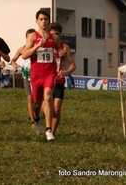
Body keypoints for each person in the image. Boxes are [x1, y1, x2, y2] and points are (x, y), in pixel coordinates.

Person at [21, 10, 61, 141]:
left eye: (45, 19)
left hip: (50, 72)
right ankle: (37, 119)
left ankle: (49, 130)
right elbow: (25, 55)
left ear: (48, 21)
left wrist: (60, 52)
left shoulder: (54, 37)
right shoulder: (32, 36)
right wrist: (37, 46)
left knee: (48, 97)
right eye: (41, 19)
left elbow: (58, 49)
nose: (43, 21)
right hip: (36, 74)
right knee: (36, 102)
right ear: (36, 21)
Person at [49, 22, 76, 136]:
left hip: (59, 81)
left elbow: (73, 65)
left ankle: (52, 132)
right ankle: (45, 122)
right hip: (46, 79)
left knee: (56, 109)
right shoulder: (45, 46)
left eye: (57, 34)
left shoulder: (65, 47)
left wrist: (65, 73)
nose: (55, 36)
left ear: (60, 34)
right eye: (53, 34)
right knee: (44, 108)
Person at [10, 28, 36, 128]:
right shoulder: (22, 49)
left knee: (37, 98)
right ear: (26, 37)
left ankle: (40, 114)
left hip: (37, 75)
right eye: (29, 37)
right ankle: (32, 120)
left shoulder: (38, 48)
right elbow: (13, 60)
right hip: (26, 75)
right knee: (29, 98)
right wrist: (14, 66)